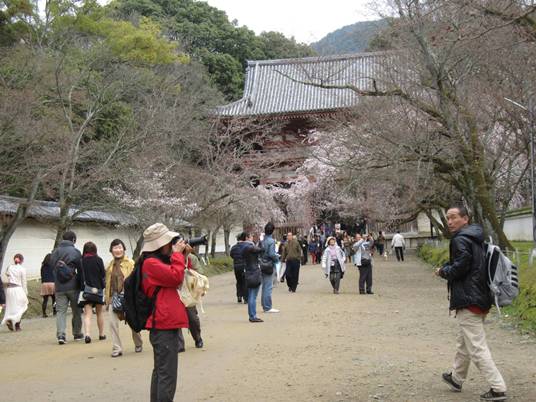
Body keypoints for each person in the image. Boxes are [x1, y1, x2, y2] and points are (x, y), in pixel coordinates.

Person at [436, 206, 507, 401]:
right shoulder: (476, 237)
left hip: (469, 299)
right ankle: (456, 378)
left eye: (454, 217)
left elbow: (461, 266)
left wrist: (443, 271)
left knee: (476, 346)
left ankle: (498, 387)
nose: (450, 222)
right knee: (464, 342)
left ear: (465, 218)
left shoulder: (460, 239)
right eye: (447, 218)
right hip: (480, 297)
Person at [139, 223, 189, 402]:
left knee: (161, 372)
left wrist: (181, 255)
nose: (172, 243)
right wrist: (177, 254)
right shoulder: (151, 263)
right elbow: (176, 276)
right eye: (169, 241)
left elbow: (178, 272)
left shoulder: (156, 262)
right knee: (167, 375)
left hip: (164, 323)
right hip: (163, 324)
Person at [105, 238, 142, 357]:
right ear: (111, 250)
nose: (118, 250)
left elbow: (135, 280)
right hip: (113, 297)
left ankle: (138, 343)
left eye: (120, 247)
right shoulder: (109, 265)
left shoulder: (130, 263)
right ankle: (117, 348)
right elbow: (107, 284)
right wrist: (107, 300)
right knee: (112, 323)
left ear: (124, 249)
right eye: (115, 248)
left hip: (128, 297)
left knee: (132, 321)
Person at [50, 231, 83, 344]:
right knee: (76, 311)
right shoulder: (76, 252)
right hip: (74, 286)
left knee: (60, 311)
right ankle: (77, 333)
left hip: (59, 287)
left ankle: (61, 335)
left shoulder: (55, 252)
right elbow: (80, 269)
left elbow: (52, 267)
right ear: (73, 240)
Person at [79, 241, 106, 344]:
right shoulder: (99, 260)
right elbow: (103, 275)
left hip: (86, 290)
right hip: (98, 289)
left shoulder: (81, 261)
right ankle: (101, 334)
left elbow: (80, 276)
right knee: (99, 313)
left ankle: (87, 334)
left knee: (87, 314)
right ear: (95, 250)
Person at [180, 253, 204, 349]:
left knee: (192, 318)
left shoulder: (190, 258)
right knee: (174, 318)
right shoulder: (167, 256)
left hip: (187, 293)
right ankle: (179, 344)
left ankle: (198, 338)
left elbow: (200, 273)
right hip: (173, 291)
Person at [1, 254, 28, 331]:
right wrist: (25, 292)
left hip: (9, 289)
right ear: (22, 260)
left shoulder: (9, 267)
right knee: (21, 307)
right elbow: (24, 282)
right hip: (18, 289)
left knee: (11, 307)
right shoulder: (22, 269)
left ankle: (10, 320)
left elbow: (6, 277)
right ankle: (17, 325)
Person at [242, 232, 264, 322]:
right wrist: (262, 241)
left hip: (248, 271)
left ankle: (252, 315)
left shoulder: (243, 247)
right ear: (247, 238)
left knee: (251, 294)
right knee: (253, 296)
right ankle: (252, 315)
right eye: (251, 236)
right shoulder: (249, 247)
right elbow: (261, 250)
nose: (252, 238)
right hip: (253, 271)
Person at [260, 223, 279, 313]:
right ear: (273, 231)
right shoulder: (271, 241)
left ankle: (264, 305)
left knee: (264, 286)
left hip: (262, 264)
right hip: (269, 264)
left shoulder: (262, 241)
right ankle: (267, 307)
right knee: (268, 286)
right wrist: (277, 258)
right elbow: (271, 254)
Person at [230, 233, 249, 304]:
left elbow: (231, 255)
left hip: (236, 266)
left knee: (238, 281)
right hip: (244, 266)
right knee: (245, 281)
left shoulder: (234, 247)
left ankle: (239, 296)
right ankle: (246, 298)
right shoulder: (247, 246)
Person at [40, 253, 56, 317]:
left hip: (44, 284)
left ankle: (44, 313)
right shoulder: (54, 265)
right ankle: (54, 311)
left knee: (45, 300)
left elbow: (42, 275)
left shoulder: (43, 266)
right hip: (52, 283)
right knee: (54, 299)